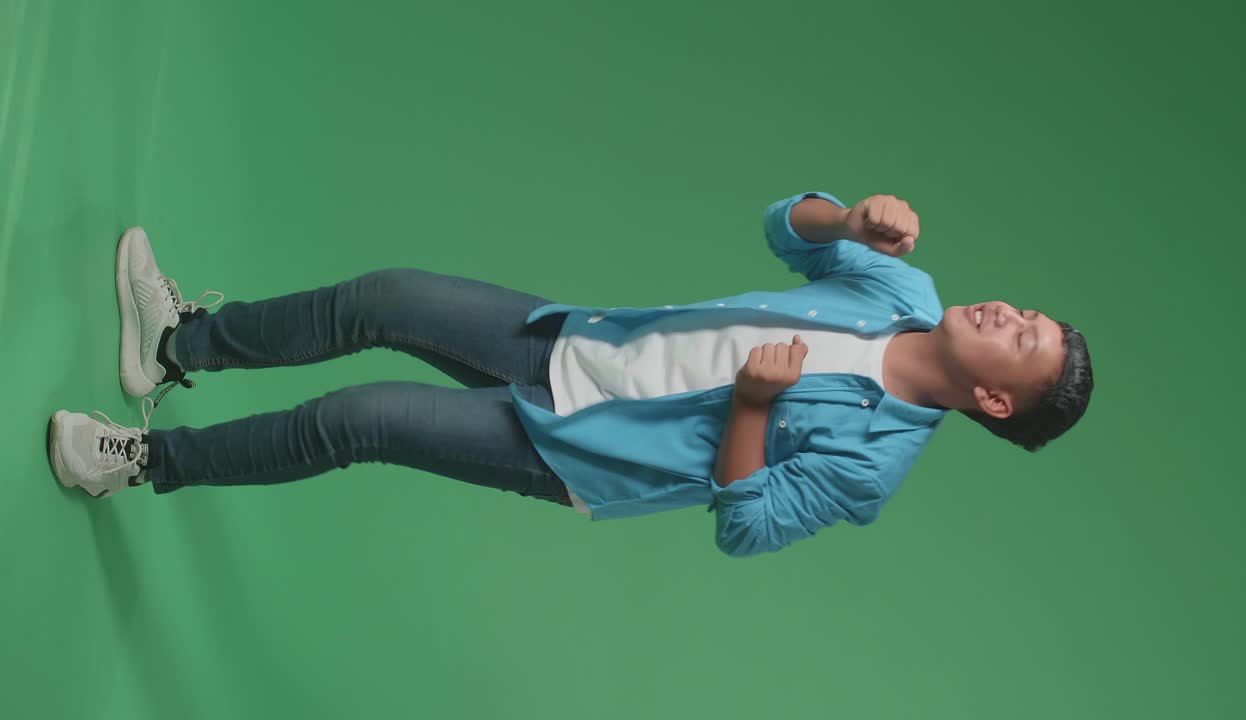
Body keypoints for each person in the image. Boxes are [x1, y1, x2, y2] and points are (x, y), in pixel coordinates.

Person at [46, 190, 1093, 558]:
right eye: (1027, 312)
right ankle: (181, 344)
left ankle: (139, 459)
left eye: (1019, 339)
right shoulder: (902, 294)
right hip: (574, 339)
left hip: (574, 448)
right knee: (387, 294)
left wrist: (752, 410)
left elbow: (746, 526)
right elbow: (785, 229)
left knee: (354, 420)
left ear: (993, 399)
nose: (1007, 313)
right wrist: (845, 220)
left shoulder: (872, 463)